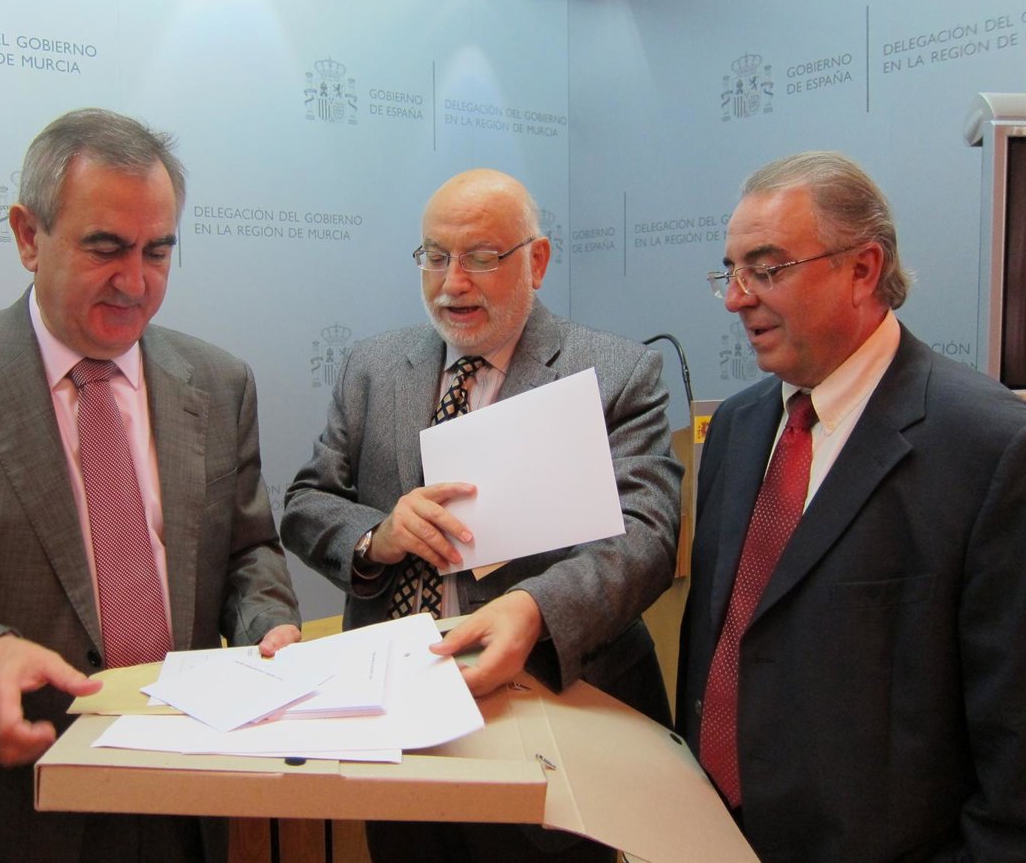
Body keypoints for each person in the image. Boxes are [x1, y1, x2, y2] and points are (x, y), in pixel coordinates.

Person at [0, 108, 302, 861]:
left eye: (158, 251)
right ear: (27, 235)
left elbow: (247, 550)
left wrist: (266, 624)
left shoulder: (217, 382)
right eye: (105, 248)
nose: (135, 283)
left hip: (188, 798)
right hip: (9, 809)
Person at [281, 168, 682, 862]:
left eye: (482, 257)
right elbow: (307, 501)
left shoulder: (615, 373)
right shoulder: (372, 367)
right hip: (402, 725)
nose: (453, 283)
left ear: (538, 260)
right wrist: (378, 536)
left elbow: (645, 535)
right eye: (435, 257)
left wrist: (533, 610)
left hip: (555, 719)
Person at [677, 151, 1026, 861]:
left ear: (863, 269)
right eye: (731, 272)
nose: (737, 299)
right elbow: (719, 645)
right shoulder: (736, 428)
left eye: (766, 270)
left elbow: (1014, 749)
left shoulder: (989, 447)